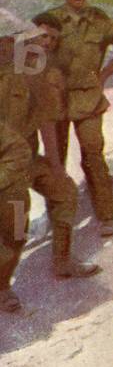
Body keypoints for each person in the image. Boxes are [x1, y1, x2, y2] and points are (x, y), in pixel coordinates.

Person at [42, 0, 113, 237]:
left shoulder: (100, 21)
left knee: (93, 155)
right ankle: (55, 221)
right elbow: (28, 53)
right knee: (55, 160)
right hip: (55, 100)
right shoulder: (49, 20)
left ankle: (106, 217)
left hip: (88, 99)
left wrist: (108, 72)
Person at [28, 13, 101, 278]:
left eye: (52, 39)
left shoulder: (45, 73)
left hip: (22, 159)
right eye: (42, 35)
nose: (47, 42)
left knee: (65, 191)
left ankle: (62, 261)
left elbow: (47, 122)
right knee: (12, 219)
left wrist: (56, 167)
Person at [0, 25, 33, 313]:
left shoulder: (26, 78)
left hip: (17, 176)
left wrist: (57, 165)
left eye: (8, 41)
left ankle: (3, 285)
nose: (4, 46)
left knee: (18, 232)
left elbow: (47, 118)